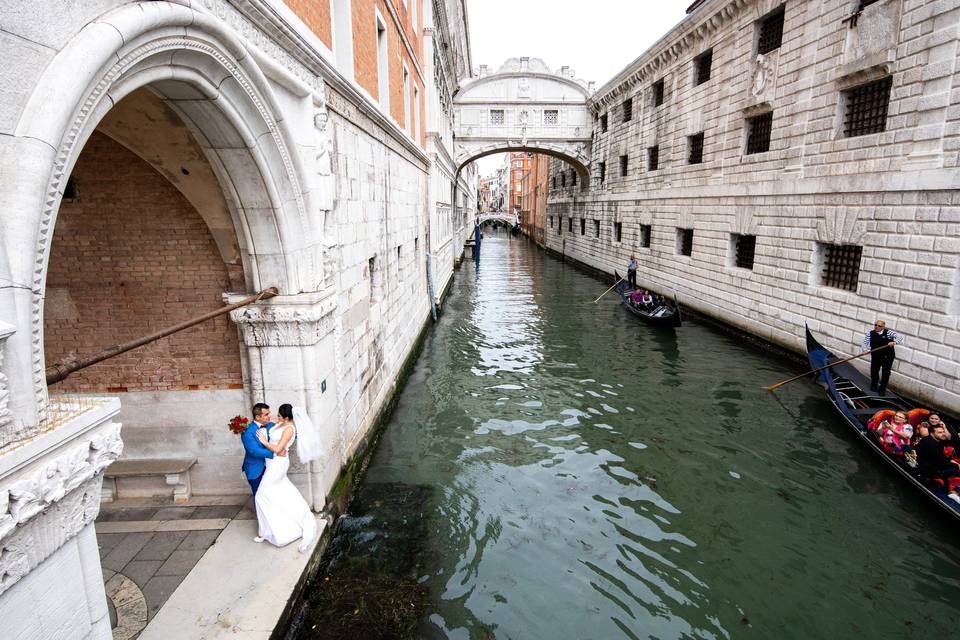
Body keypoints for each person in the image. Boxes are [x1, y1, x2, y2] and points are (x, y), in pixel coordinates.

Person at [253, 403, 319, 552]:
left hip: (277, 464)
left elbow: (277, 449)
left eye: (279, 416)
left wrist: (264, 441)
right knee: (280, 492)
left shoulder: (289, 429)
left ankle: (273, 532)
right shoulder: (281, 423)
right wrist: (272, 423)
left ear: (287, 417)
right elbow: (273, 426)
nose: (276, 417)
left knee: (260, 495)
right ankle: (270, 529)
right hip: (271, 463)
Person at [241, 403, 285, 497]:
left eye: (269, 413)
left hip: (271, 467)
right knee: (259, 496)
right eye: (266, 415)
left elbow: (284, 432)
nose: (269, 416)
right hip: (255, 468)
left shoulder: (271, 425)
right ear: (257, 417)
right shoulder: (247, 432)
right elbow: (254, 451)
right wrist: (275, 452)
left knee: (271, 494)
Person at [916, 423, 960, 501]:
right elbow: (942, 462)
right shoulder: (932, 445)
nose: (943, 434)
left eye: (943, 432)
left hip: (932, 465)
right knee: (955, 470)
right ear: (932, 433)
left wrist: (951, 461)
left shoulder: (930, 440)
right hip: (929, 470)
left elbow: (942, 458)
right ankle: (952, 492)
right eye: (939, 432)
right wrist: (956, 466)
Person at [861, 319, 903, 395]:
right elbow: (865, 343)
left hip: (888, 356)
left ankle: (882, 389)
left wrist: (894, 342)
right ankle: (874, 386)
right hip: (876, 355)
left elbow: (900, 337)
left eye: (879, 326)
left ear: (883, 327)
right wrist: (865, 350)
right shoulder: (870, 333)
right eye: (875, 325)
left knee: (885, 372)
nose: (876, 327)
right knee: (874, 371)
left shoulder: (888, 333)